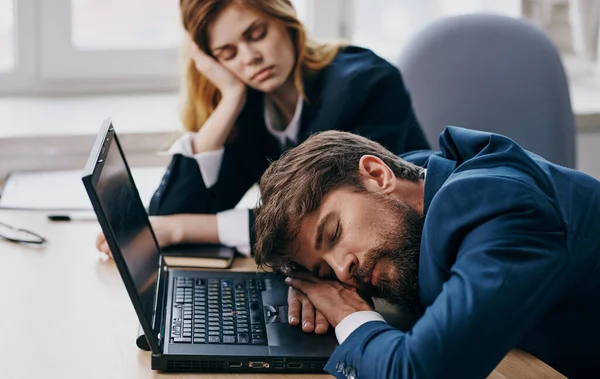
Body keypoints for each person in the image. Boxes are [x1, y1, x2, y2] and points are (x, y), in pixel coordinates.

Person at [96, 0, 429, 334]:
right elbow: (168, 213)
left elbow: (330, 223)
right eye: (228, 53)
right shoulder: (253, 108)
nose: (250, 57)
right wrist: (229, 98)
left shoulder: (365, 85)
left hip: (412, 276)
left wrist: (181, 228)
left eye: (256, 34)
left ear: (286, 21)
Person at [253, 127, 600, 379]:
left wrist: (347, 314)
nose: (343, 271)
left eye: (334, 233)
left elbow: (420, 373)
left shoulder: (500, 206)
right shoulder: (417, 179)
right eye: (325, 270)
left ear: (377, 174)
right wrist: (309, 284)